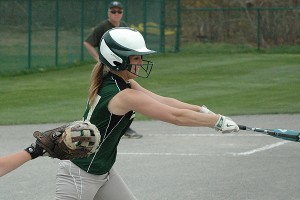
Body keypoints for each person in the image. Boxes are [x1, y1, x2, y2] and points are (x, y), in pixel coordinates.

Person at [55, 27, 239, 200]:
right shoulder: (124, 95)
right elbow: (176, 117)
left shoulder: (122, 83)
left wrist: (201, 110)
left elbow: (164, 101)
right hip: (80, 174)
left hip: (101, 171)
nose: (141, 62)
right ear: (117, 59)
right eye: (135, 58)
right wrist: (216, 121)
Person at [84, 1, 142, 139]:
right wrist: (98, 58)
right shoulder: (103, 26)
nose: (116, 14)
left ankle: (122, 125)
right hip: (109, 65)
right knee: (114, 92)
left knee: (125, 91)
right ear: (108, 13)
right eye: (113, 11)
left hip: (121, 65)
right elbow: (88, 42)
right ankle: (104, 125)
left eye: (119, 11)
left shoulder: (123, 26)